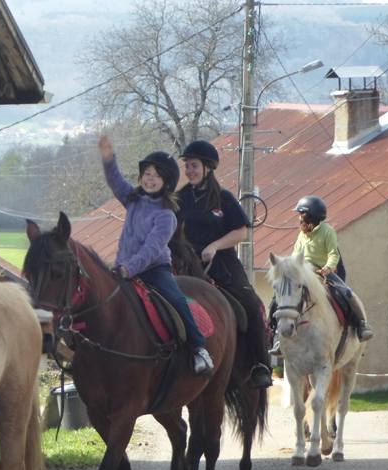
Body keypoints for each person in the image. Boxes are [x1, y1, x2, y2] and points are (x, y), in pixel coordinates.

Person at [99, 135, 214, 375]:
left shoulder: (166, 216)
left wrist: (129, 269)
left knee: (177, 300)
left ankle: (198, 348)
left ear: (167, 182)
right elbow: (115, 180)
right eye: (147, 174)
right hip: (123, 267)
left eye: (157, 176)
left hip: (153, 270)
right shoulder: (132, 200)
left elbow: (151, 250)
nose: (150, 179)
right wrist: (108, 158)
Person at [177, 140, 273, 389]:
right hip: (188, 265)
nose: (189, 170)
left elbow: (241, 232)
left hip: (223, 264)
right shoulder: (180, 199)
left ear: (208, 167)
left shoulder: (224, 198)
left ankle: (260, 364)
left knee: (251, 304)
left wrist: (215, 246)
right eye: (186, 166)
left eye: (194, 165)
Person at [268, 195, 373, 352]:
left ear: (311, 216)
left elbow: (333, 254)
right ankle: (277, 336)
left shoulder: (327, 231)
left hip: (323, 271)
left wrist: (328, 267)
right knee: (278, 299)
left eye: (301, 215)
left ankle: (361, 325)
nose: (299, 219)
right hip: (304, 272)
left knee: (347, 293)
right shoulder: (301, 235)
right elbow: (295, 255)